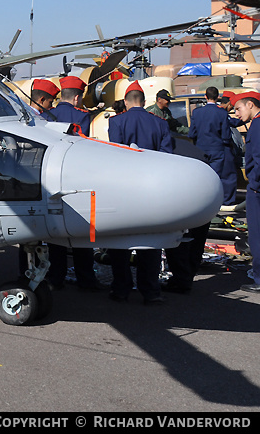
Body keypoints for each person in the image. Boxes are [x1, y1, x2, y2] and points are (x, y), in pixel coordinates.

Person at [165, 86, 238, 293]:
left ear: (206, 97)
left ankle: (180, 275)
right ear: (218, 98)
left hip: (200, 150)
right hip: (217, 152)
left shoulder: (197, 112)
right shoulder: (222, 113)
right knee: (215, 185)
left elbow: (194, 132)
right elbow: (225, 134)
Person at [107, 80, 173, 305]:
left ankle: (121, 289)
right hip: (151, 191)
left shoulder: (116, 122)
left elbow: (114, 157)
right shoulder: (160, 123)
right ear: (144, 102)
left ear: (125, 102)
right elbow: (167, 158)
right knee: (151, 244)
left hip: (124, 190)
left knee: (120, 242)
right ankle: (151, 291)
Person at [45, 76, 106, 291]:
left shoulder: (45, 115)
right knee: (81, 231)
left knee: (56, 233)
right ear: (77, 98)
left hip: (51, 181)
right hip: (76, 179)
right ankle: (86, 279)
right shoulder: (82, 117)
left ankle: (56, 277)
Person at [231, 91, 260, 293]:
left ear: (250, 104)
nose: (237, 114)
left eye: (238, 109)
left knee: (257, 234)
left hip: (257, 188)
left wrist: (256, 184)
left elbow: (258, 159)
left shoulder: (257, 126)